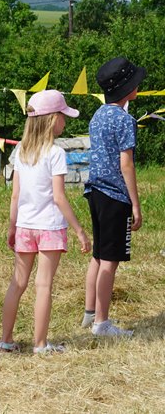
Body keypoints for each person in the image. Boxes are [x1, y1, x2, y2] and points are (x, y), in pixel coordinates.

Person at [0, 90, 91, 354]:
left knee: (17, 284)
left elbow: (15, 194)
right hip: (50, 228)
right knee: (43, 285)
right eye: (63, 116)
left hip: (24, 227)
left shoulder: (21, 153)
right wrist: (80, 231)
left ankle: (5, 340)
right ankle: (40, 344)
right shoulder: (56, 153)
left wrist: (12, 227)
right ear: (52, 119)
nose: (65, 121)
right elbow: (60, 198)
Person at [83, 57, 146, 337]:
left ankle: (90, 313)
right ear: (127, 88)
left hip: (94, 192)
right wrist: (135, 203)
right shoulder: (125, 119)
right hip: (115, 195)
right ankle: (102, 323)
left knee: (98, 255)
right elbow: (126, 164)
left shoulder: (97, 115)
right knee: (110, 260)